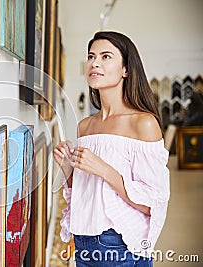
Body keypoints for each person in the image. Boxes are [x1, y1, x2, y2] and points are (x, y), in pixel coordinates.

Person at [53, 31, 170, 266]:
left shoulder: (143, 124)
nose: (94, 62)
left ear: (126, 69)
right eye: (91, 56)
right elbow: (87, 192)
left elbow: (153, 204)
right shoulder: (85, 126)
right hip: (83, 243)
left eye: (106, 56)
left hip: (120, 246)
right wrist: (68, 170)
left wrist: (105, 170)